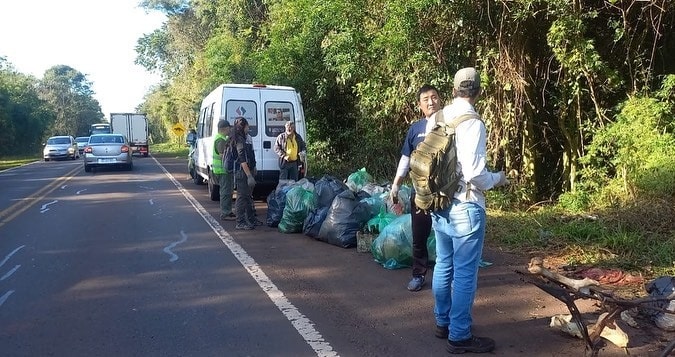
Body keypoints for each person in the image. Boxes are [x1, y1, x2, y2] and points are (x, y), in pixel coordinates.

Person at [430, 67, 509, 354]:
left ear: (453, 90)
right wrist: (499, 178)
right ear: (478, 92)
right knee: (464, 273)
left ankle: (442, 322)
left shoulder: (436, 118)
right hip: (466, 205)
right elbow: (476, 174)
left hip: (439, 203)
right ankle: (459, 335)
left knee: (443, 263)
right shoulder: (472, 122)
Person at [390, 84, 441, 292]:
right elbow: (405, 158)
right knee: (419, 236)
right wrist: (396, 185)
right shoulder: (416, 129)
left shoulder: (451, 126)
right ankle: (418, 274)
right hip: (420, 193)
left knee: (446, 235)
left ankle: (449, 276)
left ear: (441, 99)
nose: (431, 102)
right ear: (420, 105)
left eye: (434, 97)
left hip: (444, 192)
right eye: (426, 99)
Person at [229, 117, 259, 230]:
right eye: (247, 126)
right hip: (242, 172)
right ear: (243, 126)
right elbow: (242, 160)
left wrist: (254, 166)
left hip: (247, 170)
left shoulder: (245, 138)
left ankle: (250, 219)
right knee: (242, 197)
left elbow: (250, 155)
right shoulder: (239, 140)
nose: (248, 128)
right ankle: (240, 221)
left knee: (247, 197)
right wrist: (249, 176)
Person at [213, 120, 234, 220]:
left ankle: (228, 211)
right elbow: (223, 156)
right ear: (225, 129)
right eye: (229, 128)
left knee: (228, 191)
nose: (230, 130)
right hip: (222, 170)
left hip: (222, 170)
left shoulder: (221, 138)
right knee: (226, 192)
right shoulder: (220, 140)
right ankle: (225, 213)